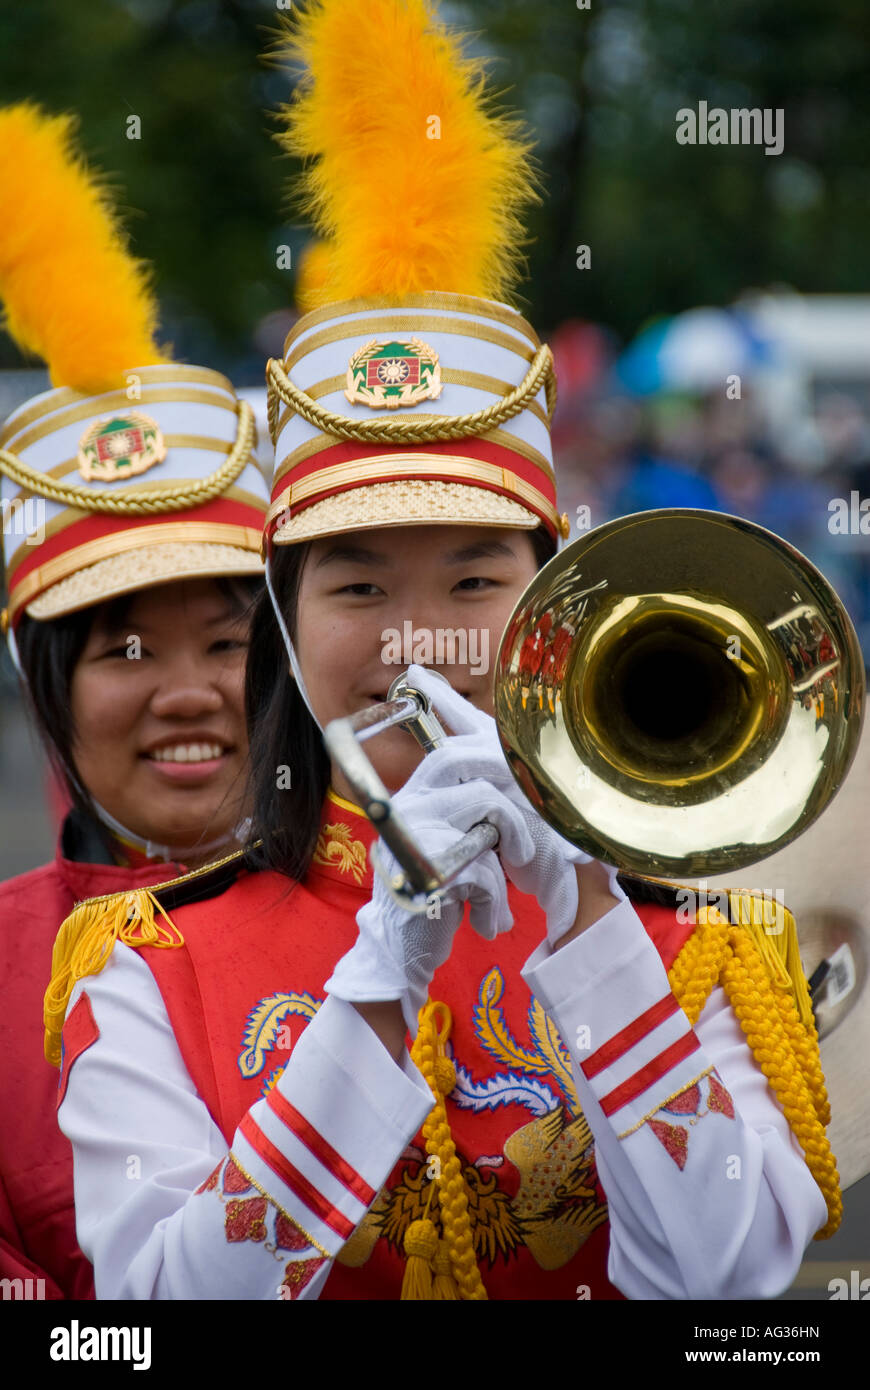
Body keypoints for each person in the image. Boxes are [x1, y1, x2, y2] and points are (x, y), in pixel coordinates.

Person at [46, 0, 839, 1300]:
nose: (416, 632)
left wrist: (587, 925)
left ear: (549, 606)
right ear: (284, 631)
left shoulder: (706, 943)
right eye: (355, 583)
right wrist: (376, 979)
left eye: (473, 577)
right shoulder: (145, 960)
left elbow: (728, 1290)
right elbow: (154, 1308)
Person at [0, 103, 269, 1298]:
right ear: (46, 695)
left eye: (229, 638)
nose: (187, 693)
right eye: (121, 650)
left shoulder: (419, 911)